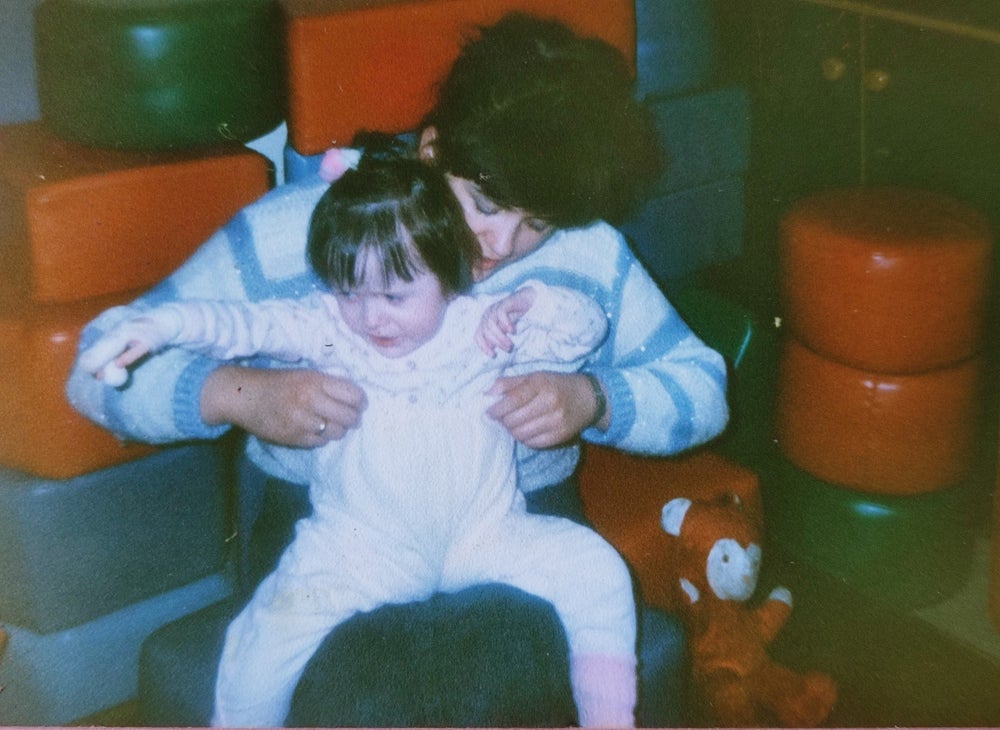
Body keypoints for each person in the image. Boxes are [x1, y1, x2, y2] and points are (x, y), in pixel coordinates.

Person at [66, 12, 728, 725]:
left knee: (492, 680)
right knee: (370, 696)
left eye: (536, 223)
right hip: (327, 528)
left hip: (512, 519)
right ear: (432, 147)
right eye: (486, 201)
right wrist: (238, 394)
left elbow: (703, 387)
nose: (503, 244)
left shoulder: (588, 250)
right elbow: (97, 376)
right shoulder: (301, 230)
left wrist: (596, 399)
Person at [80, 152, 639, 727]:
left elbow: (583, 329)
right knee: (262, 640)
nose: (373, 317)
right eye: (351, 292)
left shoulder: (482, 325)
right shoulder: (327, 329)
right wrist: (158, 327)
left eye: (396, 296)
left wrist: (534, 303)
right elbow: (235, 323)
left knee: (597, 573)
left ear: (449, 274)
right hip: (358, 550)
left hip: (486, 534)